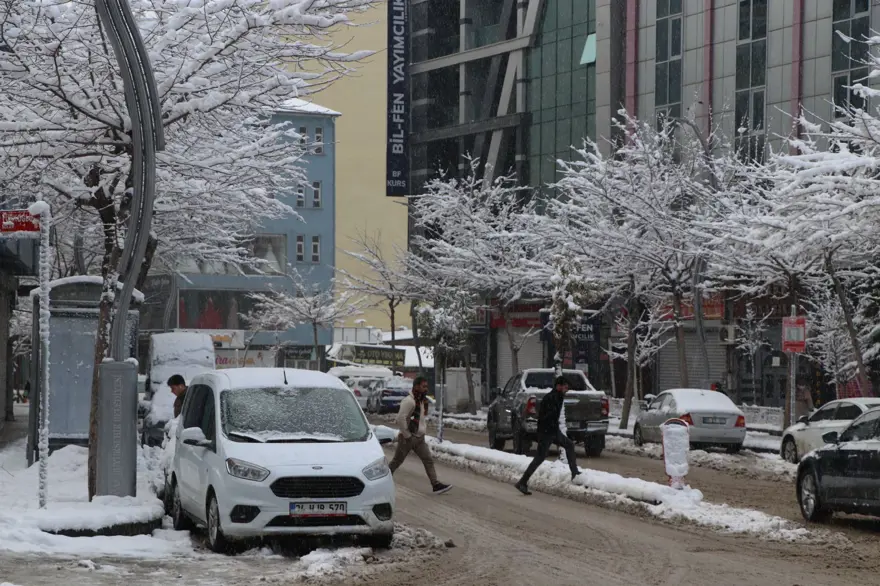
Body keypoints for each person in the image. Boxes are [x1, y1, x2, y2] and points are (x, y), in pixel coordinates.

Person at [515, 376, 581, 496]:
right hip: (547, 432)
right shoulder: (551, 398)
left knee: (569, 445)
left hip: (552, 431)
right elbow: (545, 417)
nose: (567, 390)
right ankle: (522, 482)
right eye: (566, 387)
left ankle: (575, 472)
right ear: (559, 386)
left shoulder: (558, 396)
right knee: (540, 457)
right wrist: (548, 430)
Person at [389, 376, 452, 495]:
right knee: (396, 462)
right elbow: (400, 419)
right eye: (423, 386)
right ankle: (383, 480)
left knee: (428, 460)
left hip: (419, 439)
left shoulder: (421, 401)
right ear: (416, 386)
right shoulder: (409, 401)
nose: (426, 389)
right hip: (407, 438)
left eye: (426, 386)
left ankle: (436, 484)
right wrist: (407, 435)